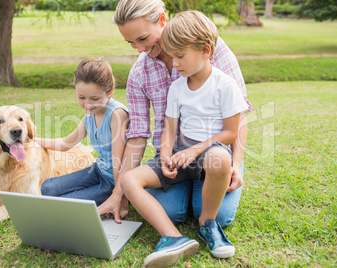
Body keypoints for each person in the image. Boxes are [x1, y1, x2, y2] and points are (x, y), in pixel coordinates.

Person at [98, 0, 251, 227]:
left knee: (218, 216)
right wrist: (117, 194)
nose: (140, 50)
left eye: (142, 38)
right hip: (172, 159)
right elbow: (138, 135)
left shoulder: (207, 48)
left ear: (162, 20)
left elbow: (240, 115)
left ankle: (203, 193)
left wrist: (236, 164)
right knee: (170, 213)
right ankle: (185, 192)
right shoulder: (139, 73)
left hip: (213, 153)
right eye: (130, 42)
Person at [121, 11, 249, 266]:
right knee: (128, 180)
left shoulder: (225, 85)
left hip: (211, 152)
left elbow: (231, 132)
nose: (175, 63)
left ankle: (207, 224)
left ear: (205, 50)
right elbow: (169, 127)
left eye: (180, 56)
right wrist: (166, 154)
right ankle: (173, 237)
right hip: (180, 155)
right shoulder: (178, 86)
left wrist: (205, 153)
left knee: (220, 160)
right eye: (173, 56)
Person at [35, 58, 129, 207]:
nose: (87, 104)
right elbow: (66, 143)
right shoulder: (90, 115)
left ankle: (111, 195)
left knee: (65, 204)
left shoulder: (117, 114)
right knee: (47, 188)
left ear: (109, 92)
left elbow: (119, 162)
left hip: (115, 181)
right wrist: (33, 141)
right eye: (81, 97)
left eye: (94, 98)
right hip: (99, 171)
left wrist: (120, 198)